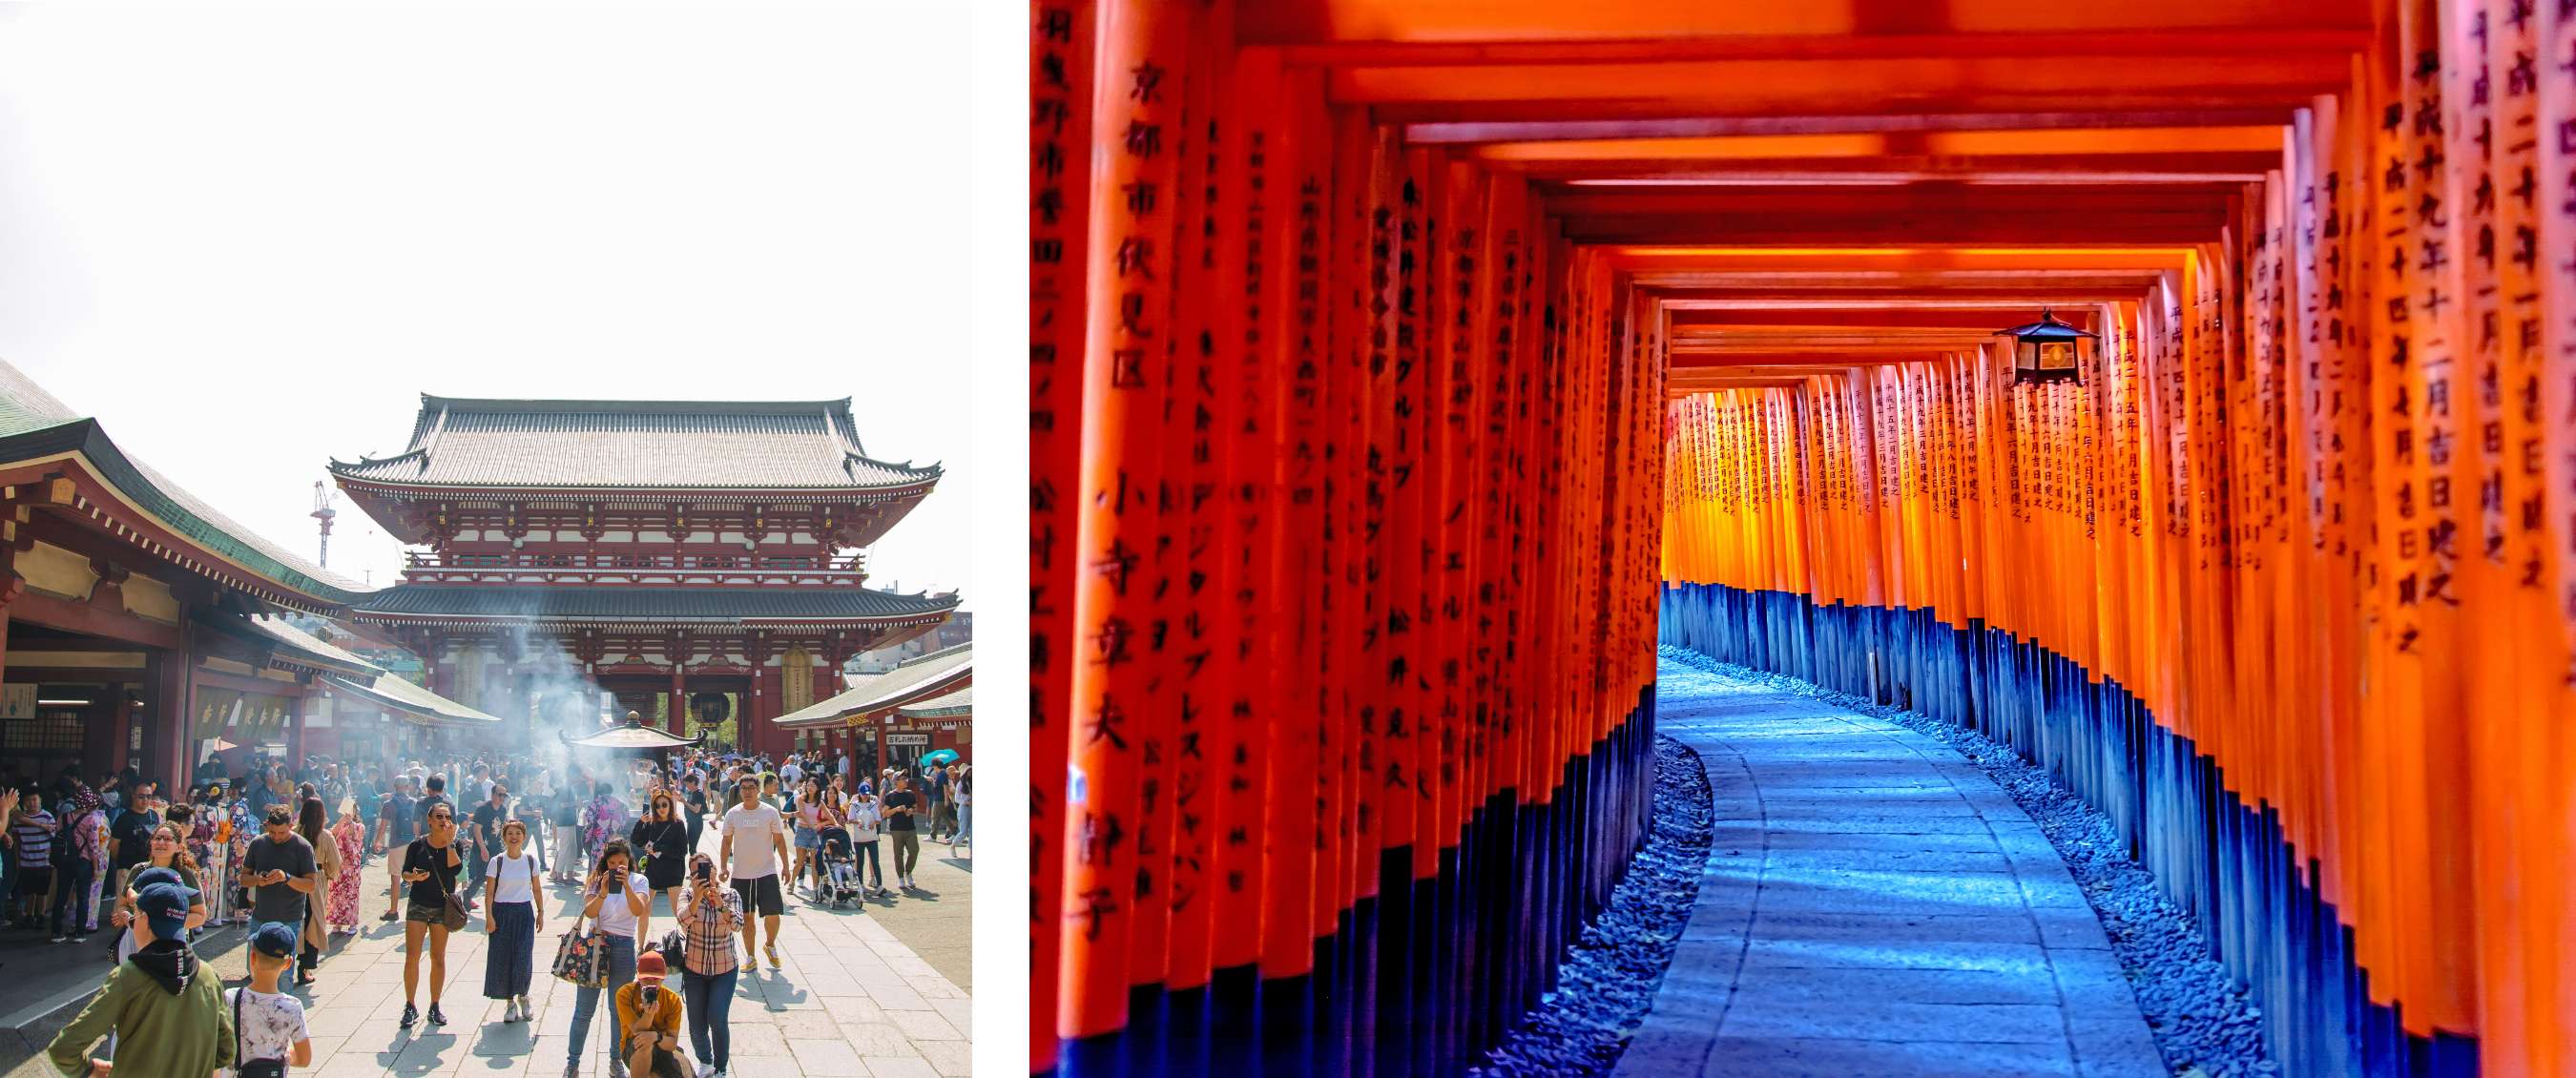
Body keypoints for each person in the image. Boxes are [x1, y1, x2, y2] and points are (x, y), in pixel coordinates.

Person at [45, 879, 233, 1078]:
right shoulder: (208, 976)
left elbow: (63, 1049)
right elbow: (226, 1050)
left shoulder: (128, 976)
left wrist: (88, 1070)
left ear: (144, 920)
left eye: (134, 917)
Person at [568, 840, 647, 1078]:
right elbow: (590, 912)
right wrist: (602, 891)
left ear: (629, 861)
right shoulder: (596, 879)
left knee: (619, 1010)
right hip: (596, 944)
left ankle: (616, 1060)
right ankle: (572, 1062)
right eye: (612, 863)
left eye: (621, 862)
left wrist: (626, 887)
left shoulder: (638, 880)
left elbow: (638, 910)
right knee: (583, 1009)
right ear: (605, 862)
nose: (616, 867)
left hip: (623, 946)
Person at [398, 802, 465, 1028]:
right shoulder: (417, 845)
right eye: (438, 816)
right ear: (429, 820)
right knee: (412, 957)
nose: (443, 820)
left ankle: (435, 1005)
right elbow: (405, 873)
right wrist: (414, 877)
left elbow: (456, 870)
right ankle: (410, 1005)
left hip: (441, 907)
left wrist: (448, 843)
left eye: (447, 816)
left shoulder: (454, 845)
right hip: (418, 904)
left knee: (438, 957)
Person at [675, 853, 741, 1078]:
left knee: (717, 1017)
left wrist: (720, 904)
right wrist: (697, 897)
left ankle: (721, 1068)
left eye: (706, 868)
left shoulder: (730, 894)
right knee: (696, 1024)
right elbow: (682, 921)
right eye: (695, 872)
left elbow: (737, 924)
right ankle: (705, 1061)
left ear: (714, 869)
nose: (702, 874)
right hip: (695, 968)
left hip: (724, 968)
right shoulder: (687, 894)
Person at [242, 804, 319, 987]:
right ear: (267, 825)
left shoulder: (302, 847)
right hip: (261, 917)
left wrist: (287, 878)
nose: (277, 837)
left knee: (284, 972)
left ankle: (285, 1012)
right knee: (254, 969)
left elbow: (310, 885)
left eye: (282, 832)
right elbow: (244, 878)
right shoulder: (258, 843)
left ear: (291, 825)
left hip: (289, 918)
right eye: (272, 832)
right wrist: (257, 880)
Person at [717, 774, 789, 971]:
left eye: (751, 787)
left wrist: (786, 866)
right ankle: (750, 956)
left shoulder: (770, 812)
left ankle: (770, 944)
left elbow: (780, 840)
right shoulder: (733, 813)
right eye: (744, 788)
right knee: (747, 917)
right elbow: (726, 842)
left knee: (773, 914)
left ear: (758, 790)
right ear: (739, 791)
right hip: (741, 873)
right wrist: (723, 866)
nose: (747, 791)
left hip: (767, 871)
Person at [106, 825, 208, 963]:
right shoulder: (139, 870)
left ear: (178, 846)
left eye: (167, 839)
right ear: (151, 843)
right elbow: (122, 906)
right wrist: (129, 919)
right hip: (137, 941)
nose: (161, 842)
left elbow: (200, 916)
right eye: (157, 838)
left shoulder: (186, 874)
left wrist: (165, 923)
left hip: (172, 942)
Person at [227, 923, 314, 1076]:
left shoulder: (231, 998)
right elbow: (304, 1059)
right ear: (288, 964)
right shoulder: (292, 1007)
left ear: (252, 957)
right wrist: (283, 1056)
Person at [483, 819, 545, 1024]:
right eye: (510, 833)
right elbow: (489, 892)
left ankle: (524, 996)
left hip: (524, 912)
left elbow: (536, 888)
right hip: (501, 912)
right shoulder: (497, 861)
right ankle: (509, 1002)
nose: (514, 837)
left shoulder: (530, 860)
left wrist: (541, 911)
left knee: (523, 956)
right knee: (503, 957)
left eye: (518, 833)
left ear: (524, 836)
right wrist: (489, 917)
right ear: (504, 837)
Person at [614, 950, 690, 1078]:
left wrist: (655, 1037)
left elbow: (672, 1043)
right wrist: (649, 1014)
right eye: (646, 978)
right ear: (638, 977)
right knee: (644, 1043)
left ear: (663, 977)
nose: (651, 983)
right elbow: (637, 1030)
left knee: (684, 1071)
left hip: (661, 1045)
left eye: (655, 979)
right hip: (633, 1046)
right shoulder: (625, 994)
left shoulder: (673, 1001)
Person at [626, 793, 687, 944]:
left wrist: (661, 848)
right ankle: (640, 946)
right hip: (654, 869)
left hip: (673, 870)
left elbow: (682, 851)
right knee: (644, 909)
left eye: (664, 805)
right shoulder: (651, 823)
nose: (661, 808)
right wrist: (640, 823)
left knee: (677, 910)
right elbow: (636, 840)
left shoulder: (678, 824)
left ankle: (691, 944)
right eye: (657, 805)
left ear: (670, 805)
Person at [293, 797, 340, 985]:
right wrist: (328, 874)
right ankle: (305, 968)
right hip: (317, 879)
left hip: (295, 880)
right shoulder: (325, 835)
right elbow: (335, 862)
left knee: (297, 920)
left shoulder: (294, 833)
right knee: (314, 922)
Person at [53, 784, 108, 943]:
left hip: (64, 861)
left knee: (61, 895)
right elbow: (94, 847)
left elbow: (57, 836)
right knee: (83, 896)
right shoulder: (91, 820)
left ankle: (56, 932)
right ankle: (80, 932)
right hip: (83, 862)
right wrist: (97, 868)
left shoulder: (63, 817)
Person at [10, 785, 56, 928]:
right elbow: (17, 841)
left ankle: (40, 915)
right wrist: (18, 860)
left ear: (40, 799)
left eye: (35, 799)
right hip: (27, 861)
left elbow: (54, 838)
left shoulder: (47, 817)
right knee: (29, 891)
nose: (32, 803)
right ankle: (29, 915)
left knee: (42, 891)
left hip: (44, 861)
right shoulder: (19, 820)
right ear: (23, 802)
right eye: (28, 800)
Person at [463, 782, 508, 907]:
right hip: (482, 847)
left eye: (505, 795)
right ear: (493, 795)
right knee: (482, 875)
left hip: (496, 846)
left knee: (500, 873)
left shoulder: (503, 810)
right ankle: (467, 895)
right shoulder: (483, 809)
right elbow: (477, 829)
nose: (502, 797)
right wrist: (483, 848)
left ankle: (498, 901)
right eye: (500, 794)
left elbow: (501, 827)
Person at [327, 798, 365, 935]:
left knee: (351, 894)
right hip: (339, 864)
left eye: (352, 810)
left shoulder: (359, 826)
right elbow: (332, 834)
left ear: (355, 811)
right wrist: (342, 821)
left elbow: (357, 842)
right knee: (337, 893)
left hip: (351, 865)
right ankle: (337, 923)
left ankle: (352, 924)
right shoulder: (341, 824)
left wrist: (350, 823)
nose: (349, 813)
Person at [881, 775, 922, 890]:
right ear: (896, 781)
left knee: (914, 850)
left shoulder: (910, 794)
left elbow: (916, 808)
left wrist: (911, 811)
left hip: (910, 828)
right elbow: (885, 813)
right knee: (898, 854)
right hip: (897, 829)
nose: (906, 780)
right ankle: (900, 877)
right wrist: (896, 809)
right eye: (903, 779)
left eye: (906, 778)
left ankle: (908, 872)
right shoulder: (891, 796)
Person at [843, 790, 885, 897]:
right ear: (859, 794)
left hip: (872, 837)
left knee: (875, 861)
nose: (865, 796)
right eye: (863, 793)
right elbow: (849, 819)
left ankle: (880, 885)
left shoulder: (873, 804)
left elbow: (878, 819)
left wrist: (873, 822)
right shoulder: (854, 805)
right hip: (859, 838)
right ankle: (860, 884)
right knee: (860, 862)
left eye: (867, 794)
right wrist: (858, 822)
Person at [787, 777, 824, 897]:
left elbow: (827, 814)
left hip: (814, 832)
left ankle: (815, 888)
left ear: (818, 788)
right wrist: (813, 826)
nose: (810, 787)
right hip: (802, 830)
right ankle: (792, 883)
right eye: (808, 785)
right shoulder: (800, 798)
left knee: (814, 863)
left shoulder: (820, 801)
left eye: (813, 786)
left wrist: (835, 823)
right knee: (800, 861)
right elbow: (802, 814)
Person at [678, 775, 708, 860]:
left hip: (696, 824)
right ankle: (694, 863)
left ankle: (695, 865)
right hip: (691, 823)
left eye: (687, 784)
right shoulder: (692, 792)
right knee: (687, 845)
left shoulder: (699, 794)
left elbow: (696, 810)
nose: (686, 786)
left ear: (693, 782)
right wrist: (681, 799)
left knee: (692, 848)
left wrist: (684, 802)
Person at [947, 763, 970, 852]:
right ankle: (953, 844)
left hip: (970, 808)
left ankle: (971, 851)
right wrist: (966, 802)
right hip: (962, 807)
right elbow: (956, 798)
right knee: (963, 831)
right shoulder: (960, 783)